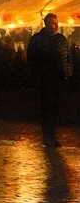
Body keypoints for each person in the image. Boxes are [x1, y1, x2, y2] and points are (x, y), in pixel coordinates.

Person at [27, 13, 71, 146]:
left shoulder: (61, 39)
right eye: (53, 23)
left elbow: (67, 57)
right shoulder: (37, 40)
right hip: (44, 80)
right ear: (46, 24)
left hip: (58, 79)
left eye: (56, 23)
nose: (56, 26)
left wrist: (68, 73)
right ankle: (48, 136)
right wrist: (37, 75)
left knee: (55, 107)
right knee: (47, 108)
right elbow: (31, 58)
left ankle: (52, 135)